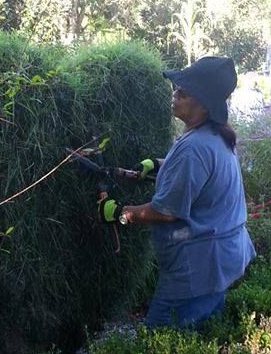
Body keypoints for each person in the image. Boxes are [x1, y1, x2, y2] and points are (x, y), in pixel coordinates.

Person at [98, 56, 256, 329]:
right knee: (202, 339)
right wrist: (156, 165)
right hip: (220, 261)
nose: (175, 95)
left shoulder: (194, 148)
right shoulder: (215, 136)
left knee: (160, 344)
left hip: (198, 269)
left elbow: (165, 212)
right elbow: (201, 176)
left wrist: (120, 214)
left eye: (182, 92)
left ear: (203, 105)